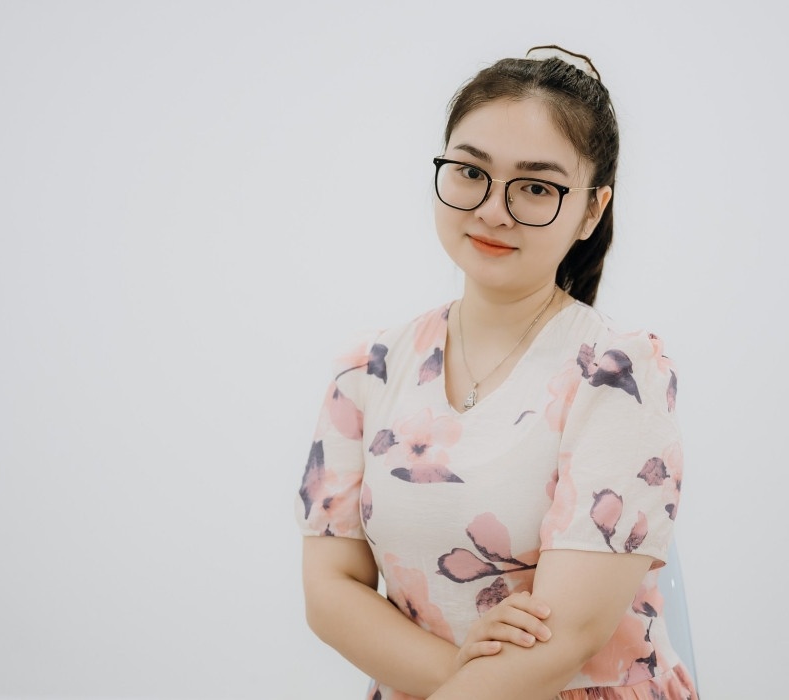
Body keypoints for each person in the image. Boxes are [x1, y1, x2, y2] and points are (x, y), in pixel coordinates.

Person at [296, 45, 699, 700]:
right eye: (470, 172)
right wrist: (457, 669)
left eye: (536, 187)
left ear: (592, 211)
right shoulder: (368, 369)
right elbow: (330, 592)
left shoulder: (618, 372)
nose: (492, 210)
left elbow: (565, 639)